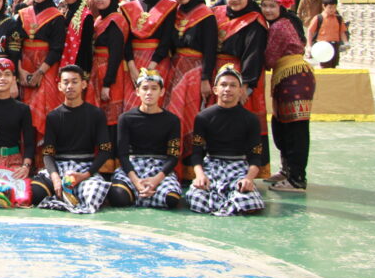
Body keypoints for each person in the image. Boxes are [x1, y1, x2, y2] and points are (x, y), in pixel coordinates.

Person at [186, 64, 266, 215]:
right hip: (211, 165)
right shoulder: (203, 117)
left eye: (233, 85)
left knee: (249, 203)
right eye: (223, 85)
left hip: (239, 167)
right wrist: (200, 175)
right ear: (215, 89)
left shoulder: (251, 119)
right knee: (197, 200)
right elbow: (196, 153)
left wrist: (248, 179)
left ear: (240, 91)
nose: (227, 89)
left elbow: (256, 157)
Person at [161, 0, 217, 179]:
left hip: (195, 71)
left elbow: (210, 50)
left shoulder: (206, 14)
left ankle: (192, 168)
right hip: (176, 70)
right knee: (174, 115)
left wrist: (206, 78)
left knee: (192, 117)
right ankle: (174, 167)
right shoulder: (175, 14)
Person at [32, 65, 113, 213]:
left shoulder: (96, 114)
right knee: (35, 192)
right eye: (66, 82)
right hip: (59, 167)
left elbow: (105, 150)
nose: (70, 86)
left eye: (75, 82)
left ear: (84, 84)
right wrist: (55, 178)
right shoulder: (53, 116)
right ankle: (65, 195)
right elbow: (48, 153)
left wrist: (85, 175)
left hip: (85, 168)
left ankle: (65, 197)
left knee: (94, 194)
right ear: (60, 86)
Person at [212, 0, 269, 171]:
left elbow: (254, 54)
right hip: (217, 73)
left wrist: (246, 85)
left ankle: (246, 168)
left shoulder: (255, 20)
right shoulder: (217, 13)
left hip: (241, 75)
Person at [260, 0, 315, 193]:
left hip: (293, 76)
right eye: (264, 5)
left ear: (281, 7)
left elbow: (269, 59)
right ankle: (287, 170)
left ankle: (297, 178)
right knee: (282, 125)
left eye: (272, 6)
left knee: (295, 129)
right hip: (288, 77)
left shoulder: (278, 26)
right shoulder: (285, 23)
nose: (268, 10)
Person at [11, 0, 65, 159]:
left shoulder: (57, 17)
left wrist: (40, 72)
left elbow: (57, 48)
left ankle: (44, 160)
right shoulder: (23, 14)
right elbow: (15, 44)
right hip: (24, 66)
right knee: (25, 112)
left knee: (44, 109)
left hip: (46, 68)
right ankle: (28, 157)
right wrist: (20, 71)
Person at [108, 69, 182, 210]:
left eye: (154, 89)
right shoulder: (126, 118)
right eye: (145, 88)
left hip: (160, 168)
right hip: (133, 166)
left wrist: (155, 180)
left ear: (161, 92)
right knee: (118, 196)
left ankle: (147, 192)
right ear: (137, 91)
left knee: (171, 199)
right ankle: (143, 193)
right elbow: (122, 155)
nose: (149, 93)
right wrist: (136, 182)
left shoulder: (172, 120)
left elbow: (173, 156)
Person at [121, 0, 175, 104]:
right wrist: (132, 66)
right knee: (133, 103)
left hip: (158, 62)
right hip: (134, 62)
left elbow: (166, 40)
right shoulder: (128, 8)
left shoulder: (169, 6)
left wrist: (152, 66)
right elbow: (126, 40)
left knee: (157, 103)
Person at [85, 0, 129, 154]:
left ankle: (111, 158)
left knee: (111, 117)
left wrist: (107, 83)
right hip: (98, 70)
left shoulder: (116, 20)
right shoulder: (99, 20)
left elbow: (116, 54)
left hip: (111, 73)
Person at [57, 0, 93, 74]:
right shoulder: (65, 12)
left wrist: (81, 73)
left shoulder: (86, 16)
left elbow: (86, 49)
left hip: (78, 69)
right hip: (63, 66)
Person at [307, 0, 348, 69]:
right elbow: (310, 31)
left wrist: (346, 42)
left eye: (334, 7)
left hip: (335, 45)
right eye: (330, 7)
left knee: (333, 67)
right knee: (324, 67)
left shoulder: (338, 18)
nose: (332, 10)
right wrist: (309, 46)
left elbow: (342, 31)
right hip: (323, 46)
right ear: (324, 6)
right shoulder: (318, 18)